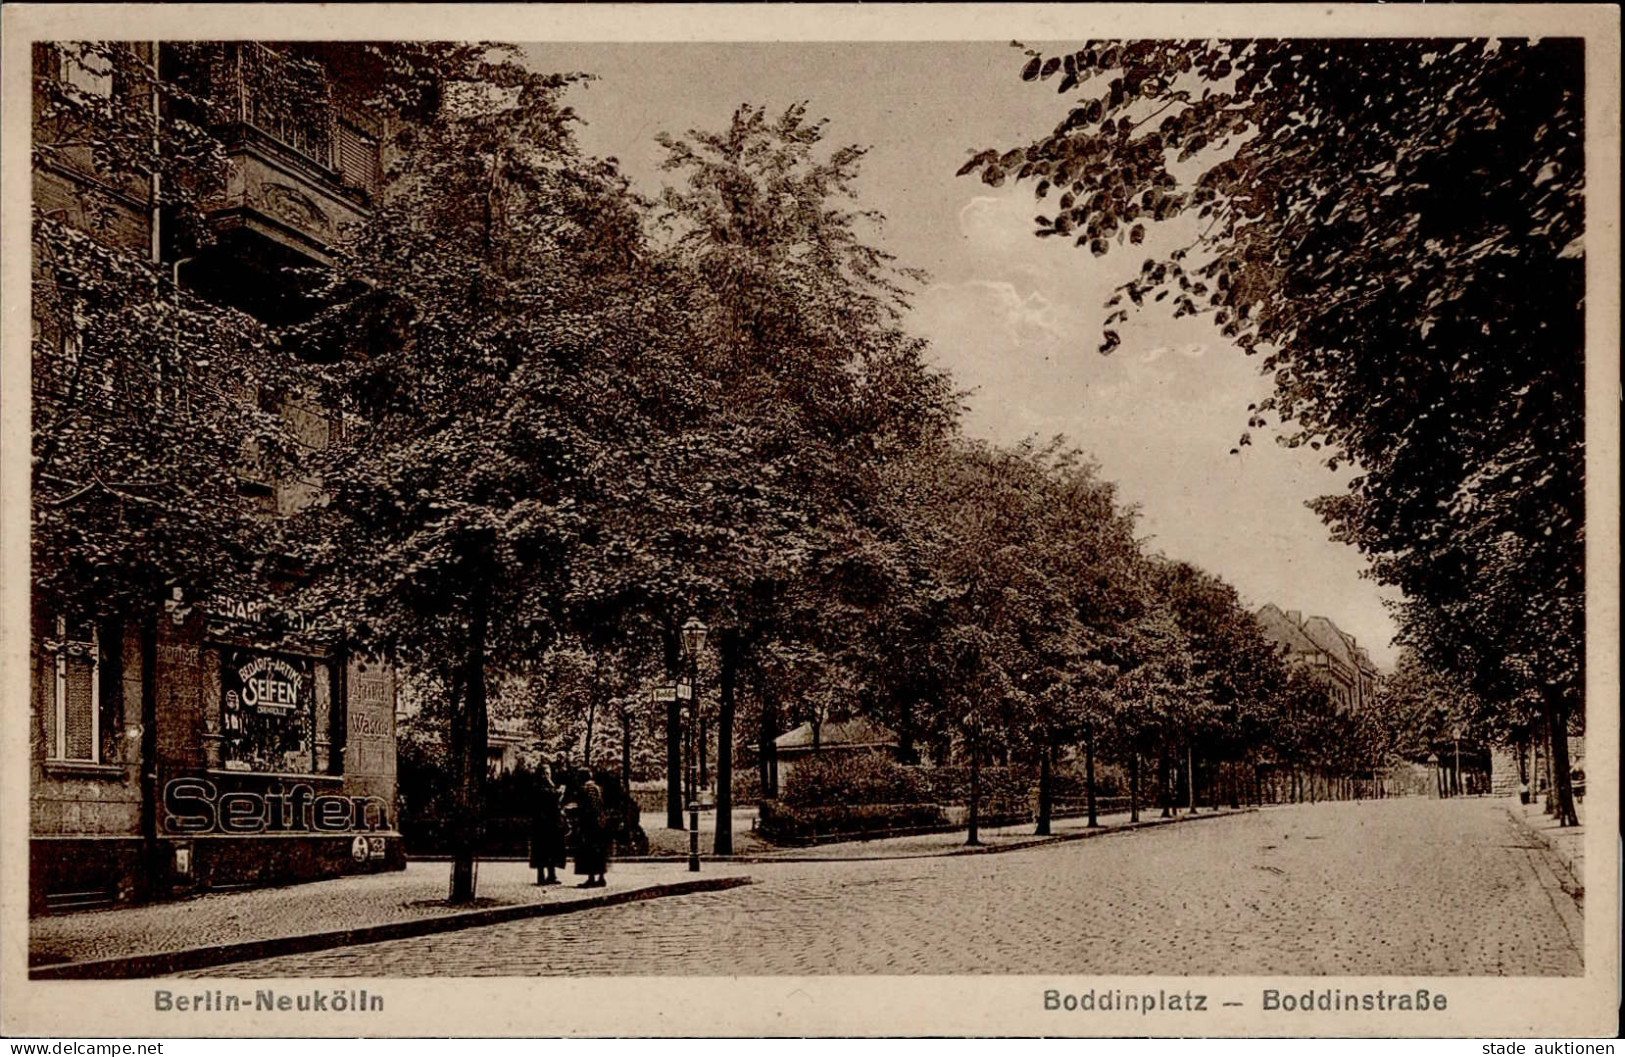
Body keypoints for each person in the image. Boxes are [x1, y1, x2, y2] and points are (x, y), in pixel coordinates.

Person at [529, 762, 565, 886]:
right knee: (542, 850)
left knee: (551, 849)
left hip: (551, 822)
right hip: (542, 823)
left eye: (548, 773)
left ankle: (551, 875)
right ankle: (541, 876)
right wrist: (558, 792)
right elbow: (547, 797)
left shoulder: (550, 784)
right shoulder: (537, 785)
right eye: (545, 773)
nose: (547, 775)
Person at [571, 771, 609, 888]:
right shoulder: (596, 788)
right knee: (599, 850)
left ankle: (591, 878)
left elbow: (587, 807)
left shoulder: (586, 788)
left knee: (589, 850)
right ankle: (601, 877)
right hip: (599, 822)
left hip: (589, 824)